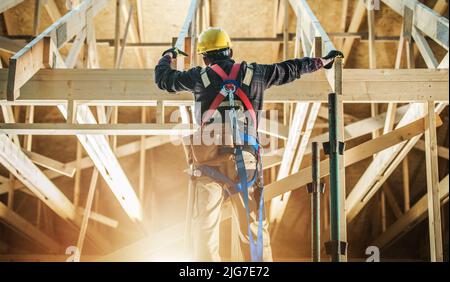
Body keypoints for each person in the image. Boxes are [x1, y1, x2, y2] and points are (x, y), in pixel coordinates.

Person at [155, 27, 343, 262]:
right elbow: (291, 68)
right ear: (230, 51)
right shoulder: (256, 73)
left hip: (207, 158)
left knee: (204, 227)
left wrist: (168, 56)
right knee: (253, 228)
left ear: (205, 56)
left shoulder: (198, 77)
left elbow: (163, 80)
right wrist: (322, 61)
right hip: (244, 160)